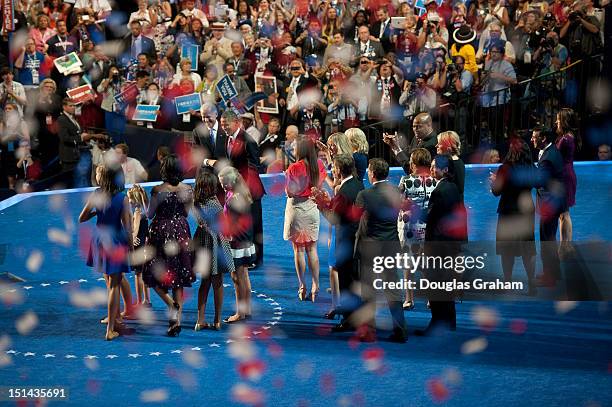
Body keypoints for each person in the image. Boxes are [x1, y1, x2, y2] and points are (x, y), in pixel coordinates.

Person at [353, 158, 408, 343]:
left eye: (369, 170)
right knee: (392, 288)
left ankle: (369, 332)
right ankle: (400, 331)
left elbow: (353, 217)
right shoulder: (395, 192)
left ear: (372, 173)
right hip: (391, 245)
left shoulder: (365, 194)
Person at [142, 155, 196, 336]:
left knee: (154, 272)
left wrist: (142, 200)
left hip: (161, 233)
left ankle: (170, 304)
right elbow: (187, 213)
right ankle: (176, 322)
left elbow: (149, 215)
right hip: (181, 231)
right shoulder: (188, 189)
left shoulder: (158, 190)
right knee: (178, 276)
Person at [79, 165, 133, 341]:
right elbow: (128, 226)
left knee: (109, 283)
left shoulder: (96, 194)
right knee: (115, 285)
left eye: (97, 173)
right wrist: (131, 246)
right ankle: (111, 328)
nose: (95, 174)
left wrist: (97, 213)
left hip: (99, 240)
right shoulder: (122, 198)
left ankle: (114, 317)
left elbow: (81, 218)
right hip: (115, 242)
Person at [312, 154, 364, 320]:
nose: (332, 170)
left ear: (340, 169)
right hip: (357, 238)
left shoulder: (344, 190)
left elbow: (334, 219)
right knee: (354, 280)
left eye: (333, 167)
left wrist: (320, 205)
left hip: (345, 240)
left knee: (345, 281)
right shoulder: (357, 184)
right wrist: (330, 202)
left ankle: (348, 321)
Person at [418, 154, 463, 335]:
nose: (431, 169)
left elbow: (430, 215)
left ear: (445, 170)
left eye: (435, 166)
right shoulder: (453, 188)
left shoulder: (440, 190)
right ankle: (449, 321)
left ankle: (437, 323)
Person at [490, 138, 537, 295]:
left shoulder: (505, 169)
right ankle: (532, 284)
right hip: (526, 211)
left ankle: (507, 282)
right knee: (528, 249)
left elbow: (496, 192)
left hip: (508, 211)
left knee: (506, 249)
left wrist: (493, 182)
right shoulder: (531, 168)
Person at [284, 136, 328, 302]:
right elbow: (320, 183)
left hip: (296, 209)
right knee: (312, 249)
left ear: (300, 150)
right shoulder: (319, 164)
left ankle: (303, 286)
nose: (293, 149)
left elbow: (289, 192)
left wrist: (286, 176)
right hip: (312, 208)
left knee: (299, 250)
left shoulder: (294, 167)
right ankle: (316, 286)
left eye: (295, 146)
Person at [193, 169, 234, 331]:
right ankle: (217, 321)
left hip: (202, 242)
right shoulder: (215, 203)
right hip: (216, 242)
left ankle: (199, 320)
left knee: (204, 282)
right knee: (218, 282)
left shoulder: (195, 203)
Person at [397, 148, 436, 310]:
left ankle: (409, 299)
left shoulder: (405, 181)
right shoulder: (435, 182)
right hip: (427, 227)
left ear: (414, 164)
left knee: (408, 264)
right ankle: (431, 299)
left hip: (409, 228)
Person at [218, 166, 256, 323]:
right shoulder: (239, 192)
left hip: (237, 241)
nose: (221, 186)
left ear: (230, 181)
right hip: (245, 239)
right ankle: (247, 309)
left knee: (236, 277)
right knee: (244, 275)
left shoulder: (234, 199)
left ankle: (240, 313)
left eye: (223, 183)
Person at [530, 127, 565, 287]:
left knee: (546, 240)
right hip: (555, 201)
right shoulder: (552, 151)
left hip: (549, 204)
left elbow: (538, 182)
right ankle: (555, 273)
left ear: (543, 138)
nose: (531, 139)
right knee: (549, 238)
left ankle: (549, 277)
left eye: (534, 137)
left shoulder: (547, 158)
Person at [554, 108, 578, 250]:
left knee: (563, 213)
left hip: (565, 177)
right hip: (565, 175)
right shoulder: (566, 137)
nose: (556, 121)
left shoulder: (566, 139)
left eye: (558, 119)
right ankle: (566, 245)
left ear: (564, 121)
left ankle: (565, 246)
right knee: (563, 213)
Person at [127, 184, 151, 308]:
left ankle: (139, 301)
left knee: (138, 274)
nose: (128, 201)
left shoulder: (137, 213)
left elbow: (135, 230)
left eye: (129, 199)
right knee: (143, 273)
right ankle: (147, 300)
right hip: (145, 244)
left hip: (138, 245)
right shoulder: (144, 209)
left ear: (134, 199)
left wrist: (130, 239)